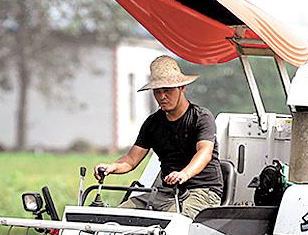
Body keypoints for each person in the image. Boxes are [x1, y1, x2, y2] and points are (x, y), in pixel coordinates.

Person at [94, 55, 222, 220]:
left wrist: (184, 174)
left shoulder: (201, 117)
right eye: (157, 91)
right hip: (166, 192)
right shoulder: (152, 123)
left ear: (182, 88)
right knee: (119, 215)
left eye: (167, 90)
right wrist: (111, 167)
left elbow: (204, 152)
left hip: (202, 192)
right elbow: (131, 159)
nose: (162, 96)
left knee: (169, 223)